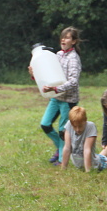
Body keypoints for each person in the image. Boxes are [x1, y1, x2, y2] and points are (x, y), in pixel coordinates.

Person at [29, 26, 82, 166]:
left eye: (67, 37)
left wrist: (56, 88)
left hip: (68, 100)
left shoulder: (74, 58)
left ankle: (61, 160)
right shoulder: (57, 55)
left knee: (62, 130)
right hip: (56, 97)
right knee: (45, 124)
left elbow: (74, 81)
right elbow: (47, 74)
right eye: (62, 37)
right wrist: (34, 74)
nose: (63, 39)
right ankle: (60, 148)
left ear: (74, 41)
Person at [61, 106, 107, 172]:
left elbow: (87, 150)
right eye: (75, 126)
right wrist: (63, 169)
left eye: (80, 126)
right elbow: (67, 148)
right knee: (99, 156)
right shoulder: (69, 125)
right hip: (93, 158)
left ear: (85, 120)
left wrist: (88, 171)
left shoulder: (90, 126)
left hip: (99, 164)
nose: (77, 129)